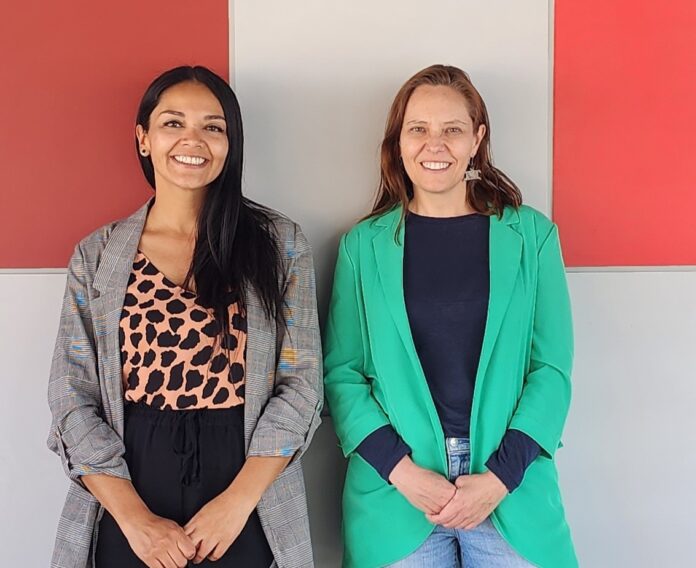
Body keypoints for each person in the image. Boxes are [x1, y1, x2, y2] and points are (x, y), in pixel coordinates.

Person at [47, 65, 322, 568]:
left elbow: (301, 384)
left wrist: (238, 503)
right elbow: (72, 396)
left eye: (213, 126)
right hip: (130, 484)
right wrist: (135, 520)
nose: (192, 139)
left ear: (230, 143)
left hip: (246, 485)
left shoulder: (279, 244)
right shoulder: (97, 256)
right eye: (173, 123)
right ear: (143, 138)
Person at [323, 64, 577, 567]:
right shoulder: (362, 248)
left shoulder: (532, 237)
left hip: (509, 488)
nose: (434, 144)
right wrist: (402, 472)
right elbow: (342, 375)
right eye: (418, 129)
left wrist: (500, 477)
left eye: (452, 129)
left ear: (477, 140)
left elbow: (551, 370)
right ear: (399, 141)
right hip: (397, 494)